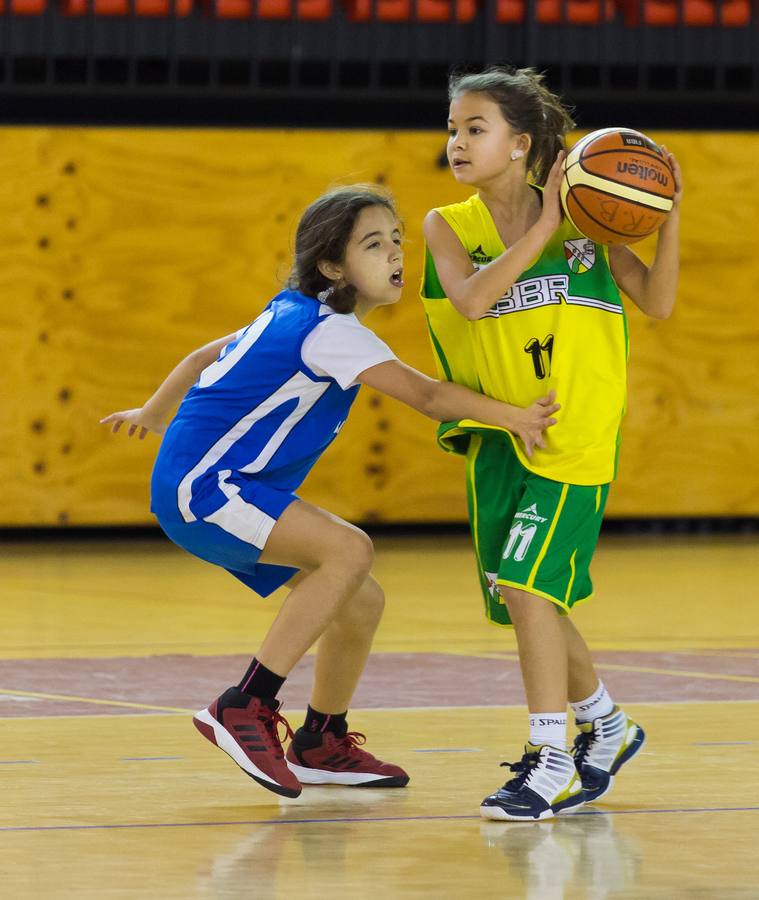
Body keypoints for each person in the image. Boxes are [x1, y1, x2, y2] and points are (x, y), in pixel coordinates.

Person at [101, 184, 559, 800]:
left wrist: (154, 411)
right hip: (207, 490)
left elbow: (200, 356)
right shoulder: (333, 333)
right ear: (332, 267)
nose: (395, 253)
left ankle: (321, 740)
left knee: (360, 601)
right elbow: (426, 396)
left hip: (199, 485)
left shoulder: (287, 311)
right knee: (348, 550)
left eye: (397, 239)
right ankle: (246, 704)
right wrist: (515, 415)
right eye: (374, 244)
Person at [421, 68, 682, 821]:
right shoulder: (450, 223)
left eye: (474, 128)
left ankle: (551, 759)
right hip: (500, 436)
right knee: (522, 596)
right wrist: (541, 229)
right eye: (452, 129)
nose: (457, 141)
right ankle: (607, 724)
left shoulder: (588, 224)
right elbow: (471, 300)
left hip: (573, 436)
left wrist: (668, 216)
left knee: (532, 589)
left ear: (520, 143)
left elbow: (658, 303)